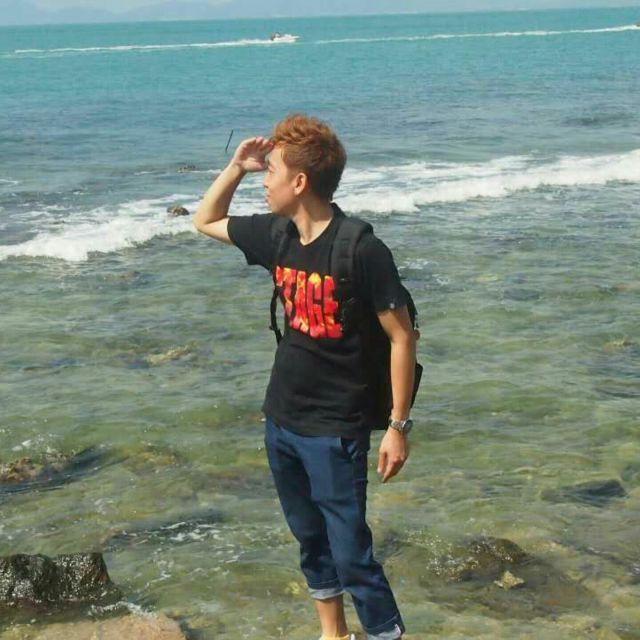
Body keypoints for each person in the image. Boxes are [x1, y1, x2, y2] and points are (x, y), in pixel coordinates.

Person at [193, 114, 416, 640]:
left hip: (336, 427)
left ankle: (386, 634)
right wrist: (236, 167)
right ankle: (332, 634)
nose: (264, 180)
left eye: (270, 171)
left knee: (352, 553)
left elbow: (403, 338)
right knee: (311, 540)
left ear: (299, 182)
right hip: (282, 419)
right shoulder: (277, 235)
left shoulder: (361, 248)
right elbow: (205, 220)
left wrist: (398, 427)